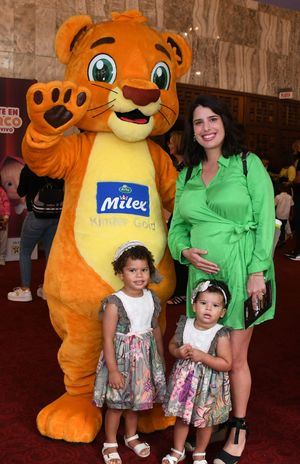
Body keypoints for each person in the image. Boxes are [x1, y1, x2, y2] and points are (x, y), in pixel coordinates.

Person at [168, 94, 276, 464]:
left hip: (244, 270)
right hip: (201, 279)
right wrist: (184, 250)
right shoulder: (187, 174)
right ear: (191, 131)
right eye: (198, 123)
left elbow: (265, 221)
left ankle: (238, 426)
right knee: (206, 351)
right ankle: (209, 418)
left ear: (225, 123)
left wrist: (257, 272)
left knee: (236, 356)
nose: (206, 128)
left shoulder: (248, 165)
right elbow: (177, 227)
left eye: (213, 119)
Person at [93, 241, 166, 464]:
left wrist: (160, 358)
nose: (139, 275)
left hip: (144, 360)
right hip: (122, 361)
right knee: (117, 404)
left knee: (136, 402)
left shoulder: (152, 298)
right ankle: (110, 442)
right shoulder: (115, 303)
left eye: (144, 270)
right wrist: (113, 371)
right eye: (132, 270)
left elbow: (155, 329)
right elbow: (107, 338)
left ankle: (131, 436)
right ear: (120, 273)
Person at [162, 280, 232, 464]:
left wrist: (203, 356)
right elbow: (172, 345)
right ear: (194, 305)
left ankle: (200, 453)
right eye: (203, 303)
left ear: (222, 312)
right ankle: (178, 450)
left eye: (215, 305)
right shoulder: (185, 324)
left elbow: (226, 364)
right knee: (182, 419)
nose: (208, 309)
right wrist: (178, 352)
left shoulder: (220, 333)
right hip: (185, 383)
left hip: (209, 386)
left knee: (205, 421)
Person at [7, 165, 63, 302]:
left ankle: (25, 290)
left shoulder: (30, 168)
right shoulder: (58, 166)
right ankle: (47, 290)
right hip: (56, 216)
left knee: (25, 252)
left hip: (36, 216)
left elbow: (20, 192)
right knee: (50, 253)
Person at [167, 130, 188, 304]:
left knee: (181, 252)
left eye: (172, 141)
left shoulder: (189, 167)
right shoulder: (176, 165)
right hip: (176, 211)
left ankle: (182, 291)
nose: (169, 144)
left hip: (184, 214)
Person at [0, 185, 11, 265]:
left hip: (2, 218)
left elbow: (6, 203)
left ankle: (1, 257)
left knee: (3, 239)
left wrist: (6, 216)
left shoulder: (1, 191)